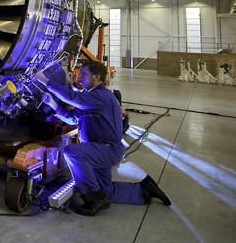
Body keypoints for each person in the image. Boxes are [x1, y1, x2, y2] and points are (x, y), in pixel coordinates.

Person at [36, 60, 171, 216]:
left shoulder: (101, 96)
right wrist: (53, 103)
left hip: (106, 149)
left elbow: (72, 98)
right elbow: (72, 118)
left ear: (96, 77)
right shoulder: (91, 97)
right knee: (107, 191)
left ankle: (93, 199)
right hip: (97, 149)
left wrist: (44, 80)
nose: (80, 77)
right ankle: (144, 190)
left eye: (84, 74)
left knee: (72, 152)